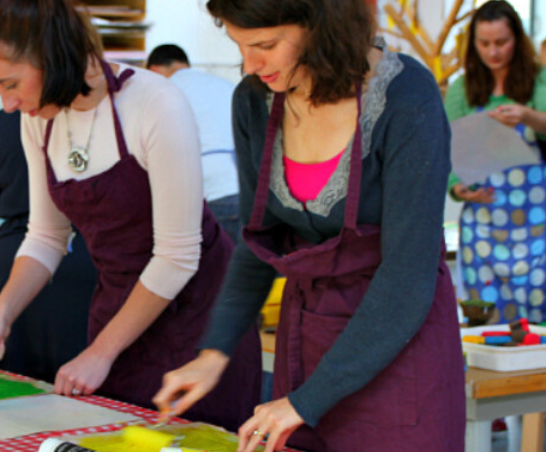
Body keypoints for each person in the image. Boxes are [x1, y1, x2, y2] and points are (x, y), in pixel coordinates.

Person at [154, 1, 465, 451]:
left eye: (265, 45)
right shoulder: (253, 101)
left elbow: (407, 277)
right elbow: (256, 241)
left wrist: (304, 402)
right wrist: (213, 352)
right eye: (239, 45)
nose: (250, 63)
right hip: (307, 343)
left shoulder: (406, 96)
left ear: (324, 24)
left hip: (399, 351)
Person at [0, 0, 261, 430]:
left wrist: (100, 352)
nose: (6, 104)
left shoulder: (154, 103)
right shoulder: (37, 122)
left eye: (11, 84)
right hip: (118, 311)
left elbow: (177, 256)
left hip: (198, 316)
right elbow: (45, 237)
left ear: (51, 56)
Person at [0, 106, 97, 383]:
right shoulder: (26, 119)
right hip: (76, 257)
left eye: (9, 84)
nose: (10, 100)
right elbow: (45, 235)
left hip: (24, 251)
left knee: (18, 393)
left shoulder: (5, 119)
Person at [445, 0, 546, 204]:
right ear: (473, 43)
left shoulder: (539, 79)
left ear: (517, 39)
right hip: (482, 216)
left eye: (501, 42)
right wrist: (457, 185)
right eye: (484, 43)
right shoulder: (461, 89)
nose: (493, 52)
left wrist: (528, 116)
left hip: (537, 209)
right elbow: (447, 147)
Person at [147, 44, 241, 242]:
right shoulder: (226, 85)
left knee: (214, 269)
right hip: (249, 192)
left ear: (154, 71)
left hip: (210, 194)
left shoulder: (163, 92)